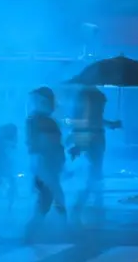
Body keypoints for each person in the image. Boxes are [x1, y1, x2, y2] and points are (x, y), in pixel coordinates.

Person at [68, 86, 122, 224]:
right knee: (94, 173)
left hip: (92, 138)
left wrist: (109, 124)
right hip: (93, 138)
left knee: (94, 172)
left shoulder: (86, 96)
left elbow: (93, 119)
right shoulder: (90, 97)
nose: (102, 107)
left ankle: (91, 203)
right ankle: (84, 205)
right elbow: (92, 120)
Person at [25, 86, 66, 238]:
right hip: (46, 165)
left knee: (48, 198)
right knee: (52, 197)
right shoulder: (41, 121)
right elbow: (46, 144)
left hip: (46, 165)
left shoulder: (35, 120)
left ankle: (35, 230)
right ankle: (61, 227)